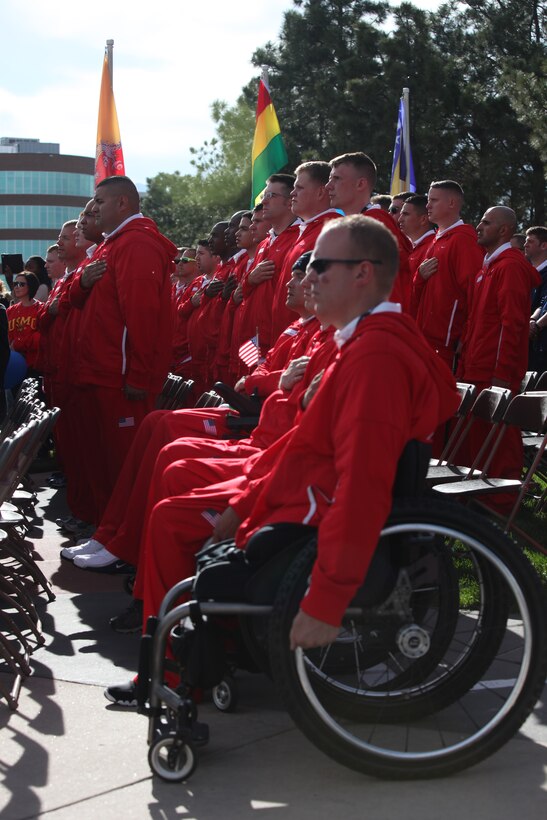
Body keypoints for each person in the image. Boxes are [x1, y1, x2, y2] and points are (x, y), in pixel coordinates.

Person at [104, 214, 459, 704]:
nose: (305, 276)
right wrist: (248, 497)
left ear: (363, 274)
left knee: (171, 518)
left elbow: (361, 485)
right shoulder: (356, 343)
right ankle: (202, 647)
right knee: (177, 491)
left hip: (310, 507)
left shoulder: (375, 357)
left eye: (319, 265)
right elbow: (303, 445)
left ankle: (176, 673)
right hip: (294, 489)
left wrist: (327, 601)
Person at [67, 175, 176, 522]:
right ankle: (107, 531)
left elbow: (141, 316)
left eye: (99, 202)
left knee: (125, 464)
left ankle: (123, 539)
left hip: (121, 377)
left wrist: (138, 374)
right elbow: (77, 299)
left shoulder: (136, 245)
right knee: (106, 461)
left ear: (122, 203)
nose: (93, 209)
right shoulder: (112, 245)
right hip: (102, 372)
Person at [457, 206, 540, 507]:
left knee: (498, 436)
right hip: (477, 365)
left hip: (494, 369)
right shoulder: (489, 265)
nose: (478, 226)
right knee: (479, 434)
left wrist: (502, 372)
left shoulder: (509, 267)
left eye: (486, 222)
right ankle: (480, 496)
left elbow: (512, 323)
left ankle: (502, 499)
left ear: (504, 230)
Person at [326, 152, 413, 311]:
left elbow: (385, 290)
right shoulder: (360, 224)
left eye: (336, 179)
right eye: (330, 179)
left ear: (360, 184)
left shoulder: (374, 225)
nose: (328, 186)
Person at [413, 180, 484, 370]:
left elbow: (475, 293)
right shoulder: (436, 239)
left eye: (433, 200)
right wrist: (419, 278)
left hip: (446, 346)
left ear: (452, 203)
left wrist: (465, 337)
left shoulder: (463, 241)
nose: (427, 205)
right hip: (426, 340)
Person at [270, 161, 339, 341]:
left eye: (299, 187)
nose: (292, 193)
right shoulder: (308, 231)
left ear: (320, 192)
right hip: (289, 336)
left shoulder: (331, 231)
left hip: (306, 339)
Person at [235, 174, 301, 360]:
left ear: (289, 202)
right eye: (265, 195)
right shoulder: (265, 243)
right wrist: (249, 279)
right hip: (253, 344)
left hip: (279, 345)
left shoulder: (299, 239)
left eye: (271, 196)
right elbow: (244, 292)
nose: (264, 201)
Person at [7, 271, 42, 372]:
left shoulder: (41, 308)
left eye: (21, 284)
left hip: (33, 365)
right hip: (12, 366)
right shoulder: (10, 311)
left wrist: (18, 343)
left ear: (31, 286)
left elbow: (41, 337)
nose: (17, 287)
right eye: (15, 284)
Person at [525, 226, 547, 373]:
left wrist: (535, 326)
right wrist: (532, 321)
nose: (525, 245)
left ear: (544, 245)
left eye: (530, 241)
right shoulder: (528, 273)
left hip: (541, 346)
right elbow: (542, 303)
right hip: (530, 344)